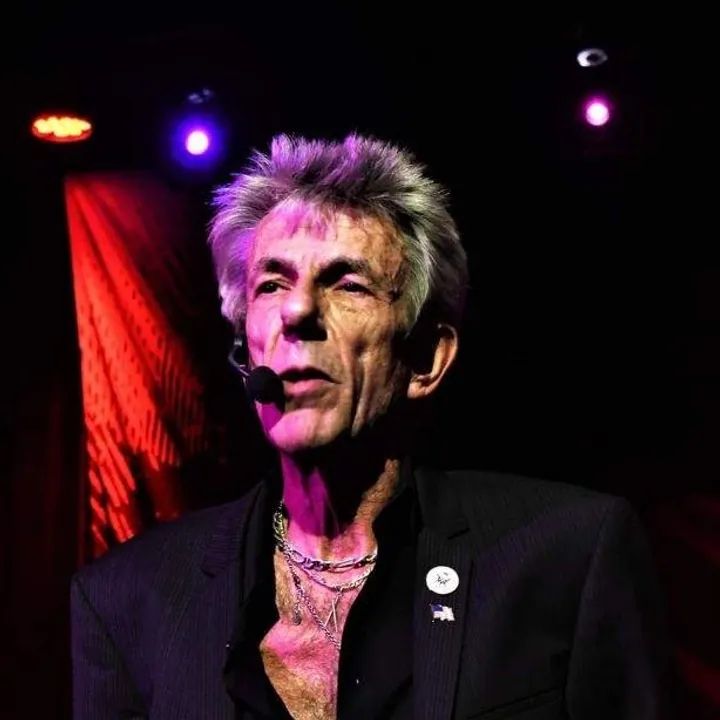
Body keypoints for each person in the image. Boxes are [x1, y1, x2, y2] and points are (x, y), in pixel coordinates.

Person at [71, 134, 675, 719]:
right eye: (272, 284)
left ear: (426, 359)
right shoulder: (125, 600)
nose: (297, 311)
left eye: (348, 284)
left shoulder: (566, 556)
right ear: (245, 347)